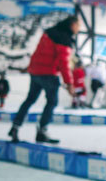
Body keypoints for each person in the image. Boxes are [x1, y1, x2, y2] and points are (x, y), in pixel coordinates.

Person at [8, 16, 77, 144]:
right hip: (49, 74)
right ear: (71, 25)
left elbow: (37, 53)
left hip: (35, 72)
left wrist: (29, 68)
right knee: (52, 102)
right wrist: (69, 83)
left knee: (30, 100)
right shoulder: (64, 39)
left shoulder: (49, 33)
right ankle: (42, 131)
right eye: (78, 25)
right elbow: (64, 63)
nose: (78, 29)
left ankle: (15, 127)